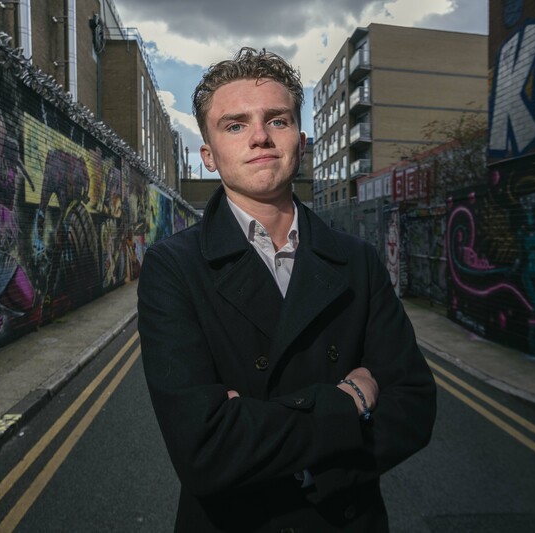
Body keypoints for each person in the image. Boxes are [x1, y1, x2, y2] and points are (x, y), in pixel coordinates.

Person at [137, 47, 436, 532]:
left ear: (301, 139)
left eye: (277, 120)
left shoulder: (357, 260)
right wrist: (350, 404)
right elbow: (205, 450)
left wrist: (262, 430)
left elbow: (414, 408)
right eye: (235, 125)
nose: (259, 137)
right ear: (208, 155)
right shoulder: (172, 268)